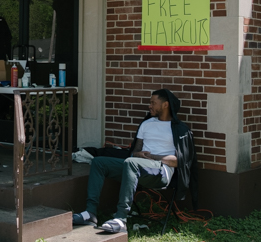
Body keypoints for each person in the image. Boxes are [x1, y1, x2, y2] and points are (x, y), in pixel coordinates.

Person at [72, 89, 198, 233]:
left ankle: (121, 218)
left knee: (131, 163)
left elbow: (179, 161)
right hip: (137, 166)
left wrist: (152, 157)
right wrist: (138, 154)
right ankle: (90, 213)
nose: (149, 106)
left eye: (153, 103)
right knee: (99, 162)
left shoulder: (180, 129)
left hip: (161, 171)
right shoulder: (146, 124)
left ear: (165, 105)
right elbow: (134, 152)